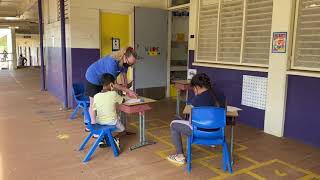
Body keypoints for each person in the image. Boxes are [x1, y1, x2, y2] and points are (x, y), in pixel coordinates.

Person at [167, 73, 226, 165]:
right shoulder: (221, 95)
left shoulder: (197, 100)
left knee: (173, 124)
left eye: (193, 88)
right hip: (218, 132)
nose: (193, 90)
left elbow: (191, 122)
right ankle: (212, 142)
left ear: (197, 87)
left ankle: (179, 156)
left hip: (200, 132)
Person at [85, 47, 138, 125]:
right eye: (129, 63)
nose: (130, 65)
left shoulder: (125, 63)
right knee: (93, 103)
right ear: (124, 56)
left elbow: (124, 76)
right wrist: (129, 91)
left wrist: (127, 92)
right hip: (93, 77)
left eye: (132, 64)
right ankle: (93, 126)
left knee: (104, 101)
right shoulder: (112, 63)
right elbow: (113, 84)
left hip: (103, 80)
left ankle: (103, 123)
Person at [92, 73, 125, 149]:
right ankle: (113, 139)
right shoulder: (113, 94)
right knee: (122, 129)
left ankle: (103, 138)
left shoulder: (96, 96)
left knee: (105, 126)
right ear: (111, 84)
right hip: (112, 121)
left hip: (99, 122)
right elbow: (122, 100)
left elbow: (94, 109)